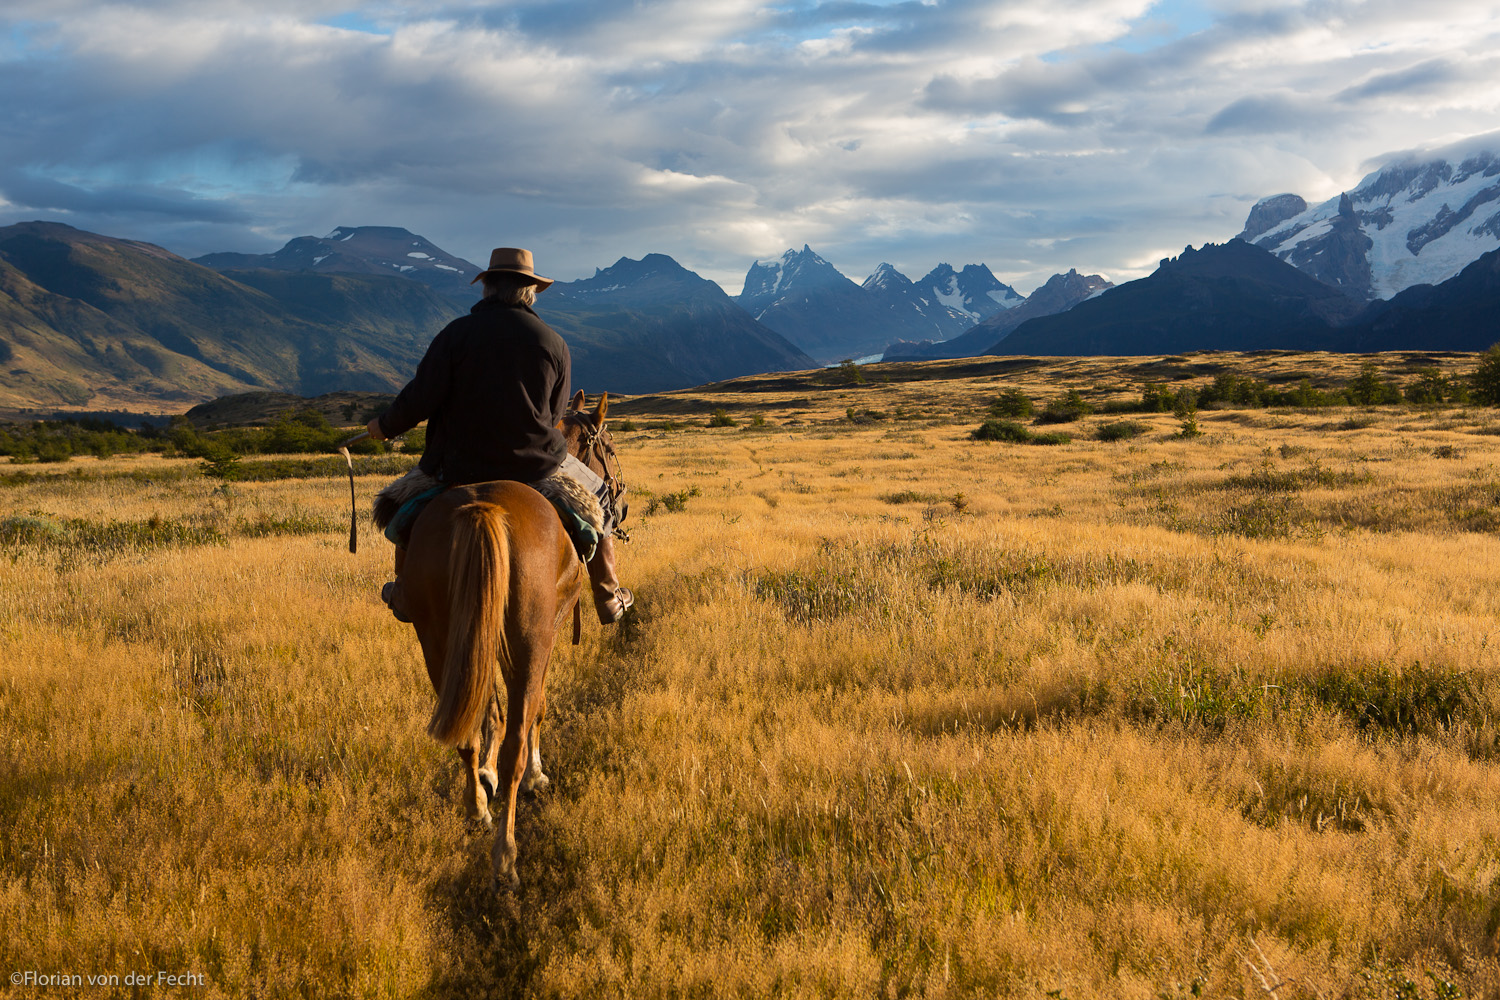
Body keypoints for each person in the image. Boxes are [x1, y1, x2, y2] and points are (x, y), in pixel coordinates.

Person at [366, 246, 633, 625]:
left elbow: (420, 398)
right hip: (536, 468)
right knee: (600, 495)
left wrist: (384, 426)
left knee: (402, 505)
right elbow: (554, 416)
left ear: (488, 288)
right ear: (530, 292)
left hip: (455, 466)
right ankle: (607, 595)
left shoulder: (454, 335)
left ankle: (406, 591)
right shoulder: (553, 343)